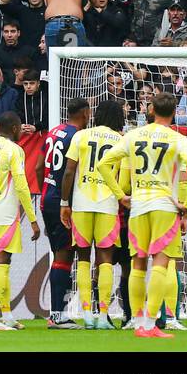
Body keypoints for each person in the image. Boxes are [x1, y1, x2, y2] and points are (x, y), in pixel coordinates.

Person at [95, 91, 187, 338]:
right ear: (174, 113)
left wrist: (121, 196)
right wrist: (186, 205)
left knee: (138, 264)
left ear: (151, 110)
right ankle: (150, 324)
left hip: (139, 205)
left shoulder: (133, 136)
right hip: (165, 206)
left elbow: (103, 164)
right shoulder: (178, 139)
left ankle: (136, 319)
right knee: (161, 264)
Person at [60, 97, 126, 330]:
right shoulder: (121, 140)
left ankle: (87, 313)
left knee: (84, 258)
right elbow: (123, 177)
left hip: (81, 204)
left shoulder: (81, 136)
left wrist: (64, 202)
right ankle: (103, 315)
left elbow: (69, 172)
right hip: (108, 205)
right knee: (106, 259)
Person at [0, 111, 41, 332]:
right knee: (1, 262)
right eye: (20, 127)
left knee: (4, 261)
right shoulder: (15, 150)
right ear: (14, 128)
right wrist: (32, 219)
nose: (22, 130)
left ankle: (7, 315)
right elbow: (21, 185)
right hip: (6, 214)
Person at [39, 96, 88, 330]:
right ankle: (58, 315)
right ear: (86, 113)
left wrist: (46, 189)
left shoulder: (54, 131)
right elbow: (70, 171)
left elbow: (39, 166)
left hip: (47, 196)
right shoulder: (77, 136)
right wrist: (64, 200)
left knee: (61, 253)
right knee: (64, 256)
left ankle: (59, 313)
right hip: (62, 202)